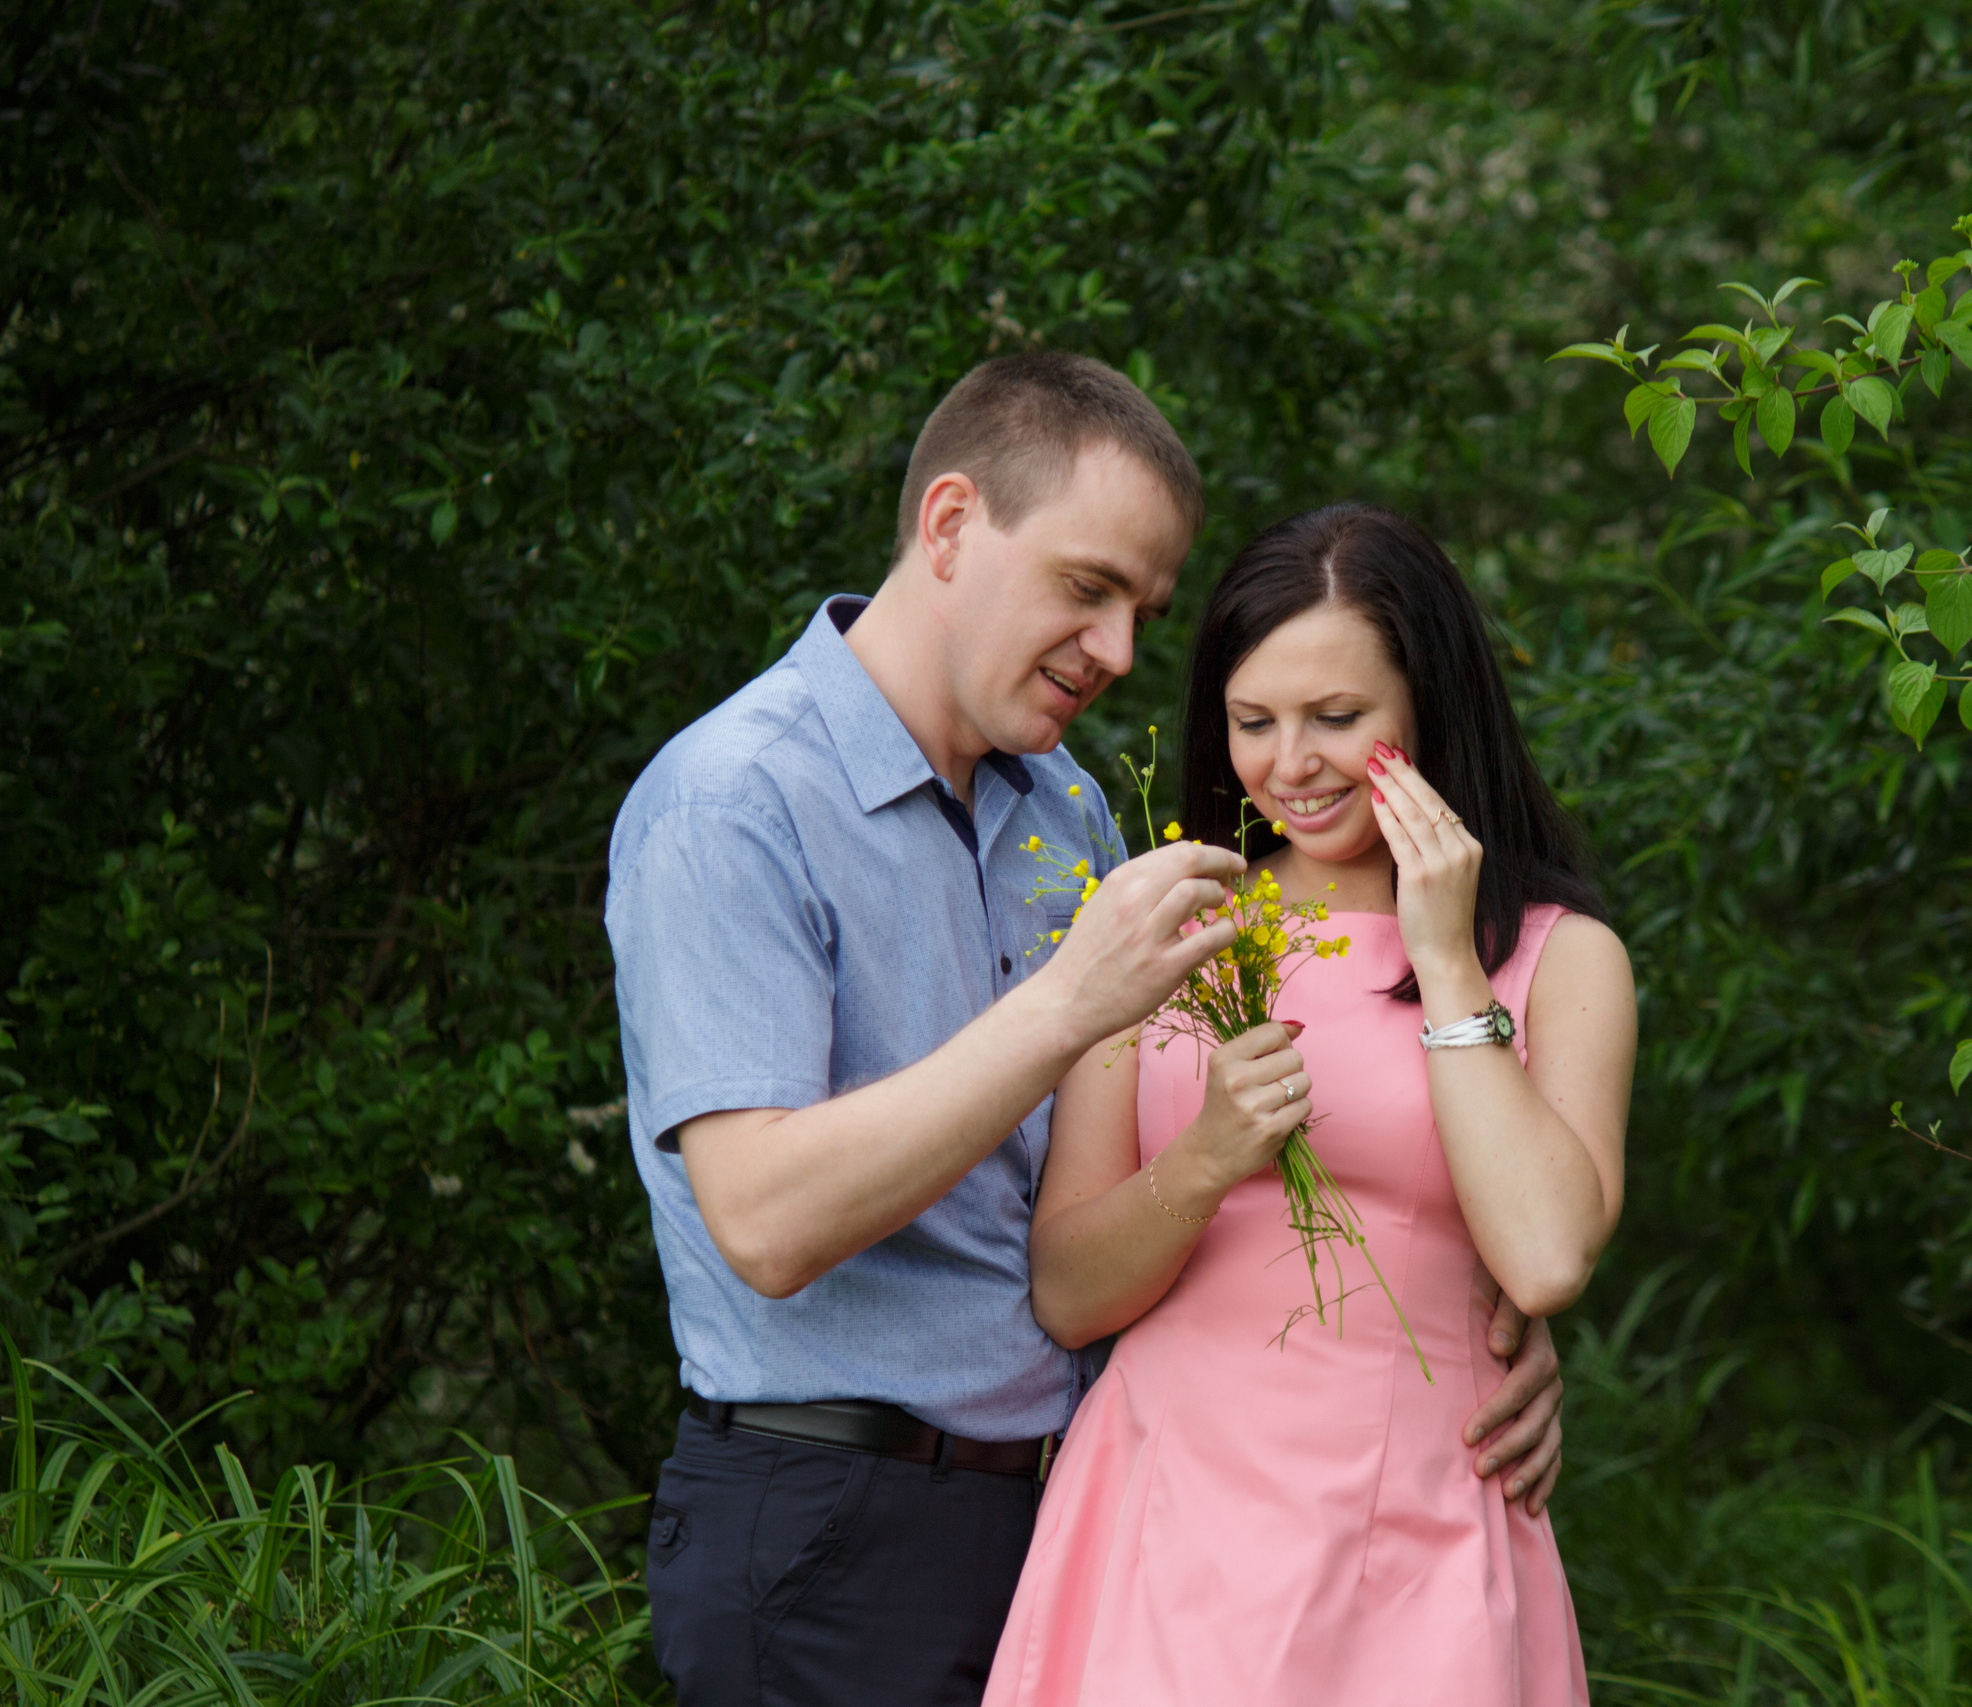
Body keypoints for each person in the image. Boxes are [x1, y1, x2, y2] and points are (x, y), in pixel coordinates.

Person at [605, 355, 1568, 1706]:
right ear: (949, 526)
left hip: (1062, 1522)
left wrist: (1474, 1335)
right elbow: (763, 1219)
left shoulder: (1064, 812)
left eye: (1144, 610)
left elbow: (1124, 1204)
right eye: (1087, 587)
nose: (1119, 652)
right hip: (826, 1526)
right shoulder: (734, 805)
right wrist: (1068, 1000)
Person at [984, 502, 1637, 1705]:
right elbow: (1070, 1293)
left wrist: (1445, 963)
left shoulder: (1558, 954)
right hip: (1165, 1538)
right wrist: (1211, 1154)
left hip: (1421, 1550)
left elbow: (1544, 1258)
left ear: (1429, 706)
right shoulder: (1167, 928)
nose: (1291, 763)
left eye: (1338, 718)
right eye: (1253, 721)